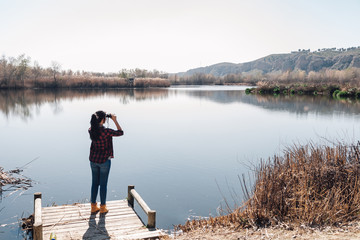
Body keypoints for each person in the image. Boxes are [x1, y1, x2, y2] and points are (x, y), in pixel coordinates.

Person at [88, 110, 124, 214]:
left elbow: (95, 126)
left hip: (93, 160)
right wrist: (115, 120)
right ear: (103, 120)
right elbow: (120, 132)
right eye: (105, 118)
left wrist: (104, 117)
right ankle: (103, 207)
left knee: (94, 183)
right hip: (104, 161)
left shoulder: (90, 130)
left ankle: (93, 207)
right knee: (103, 184)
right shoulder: (106, 132)